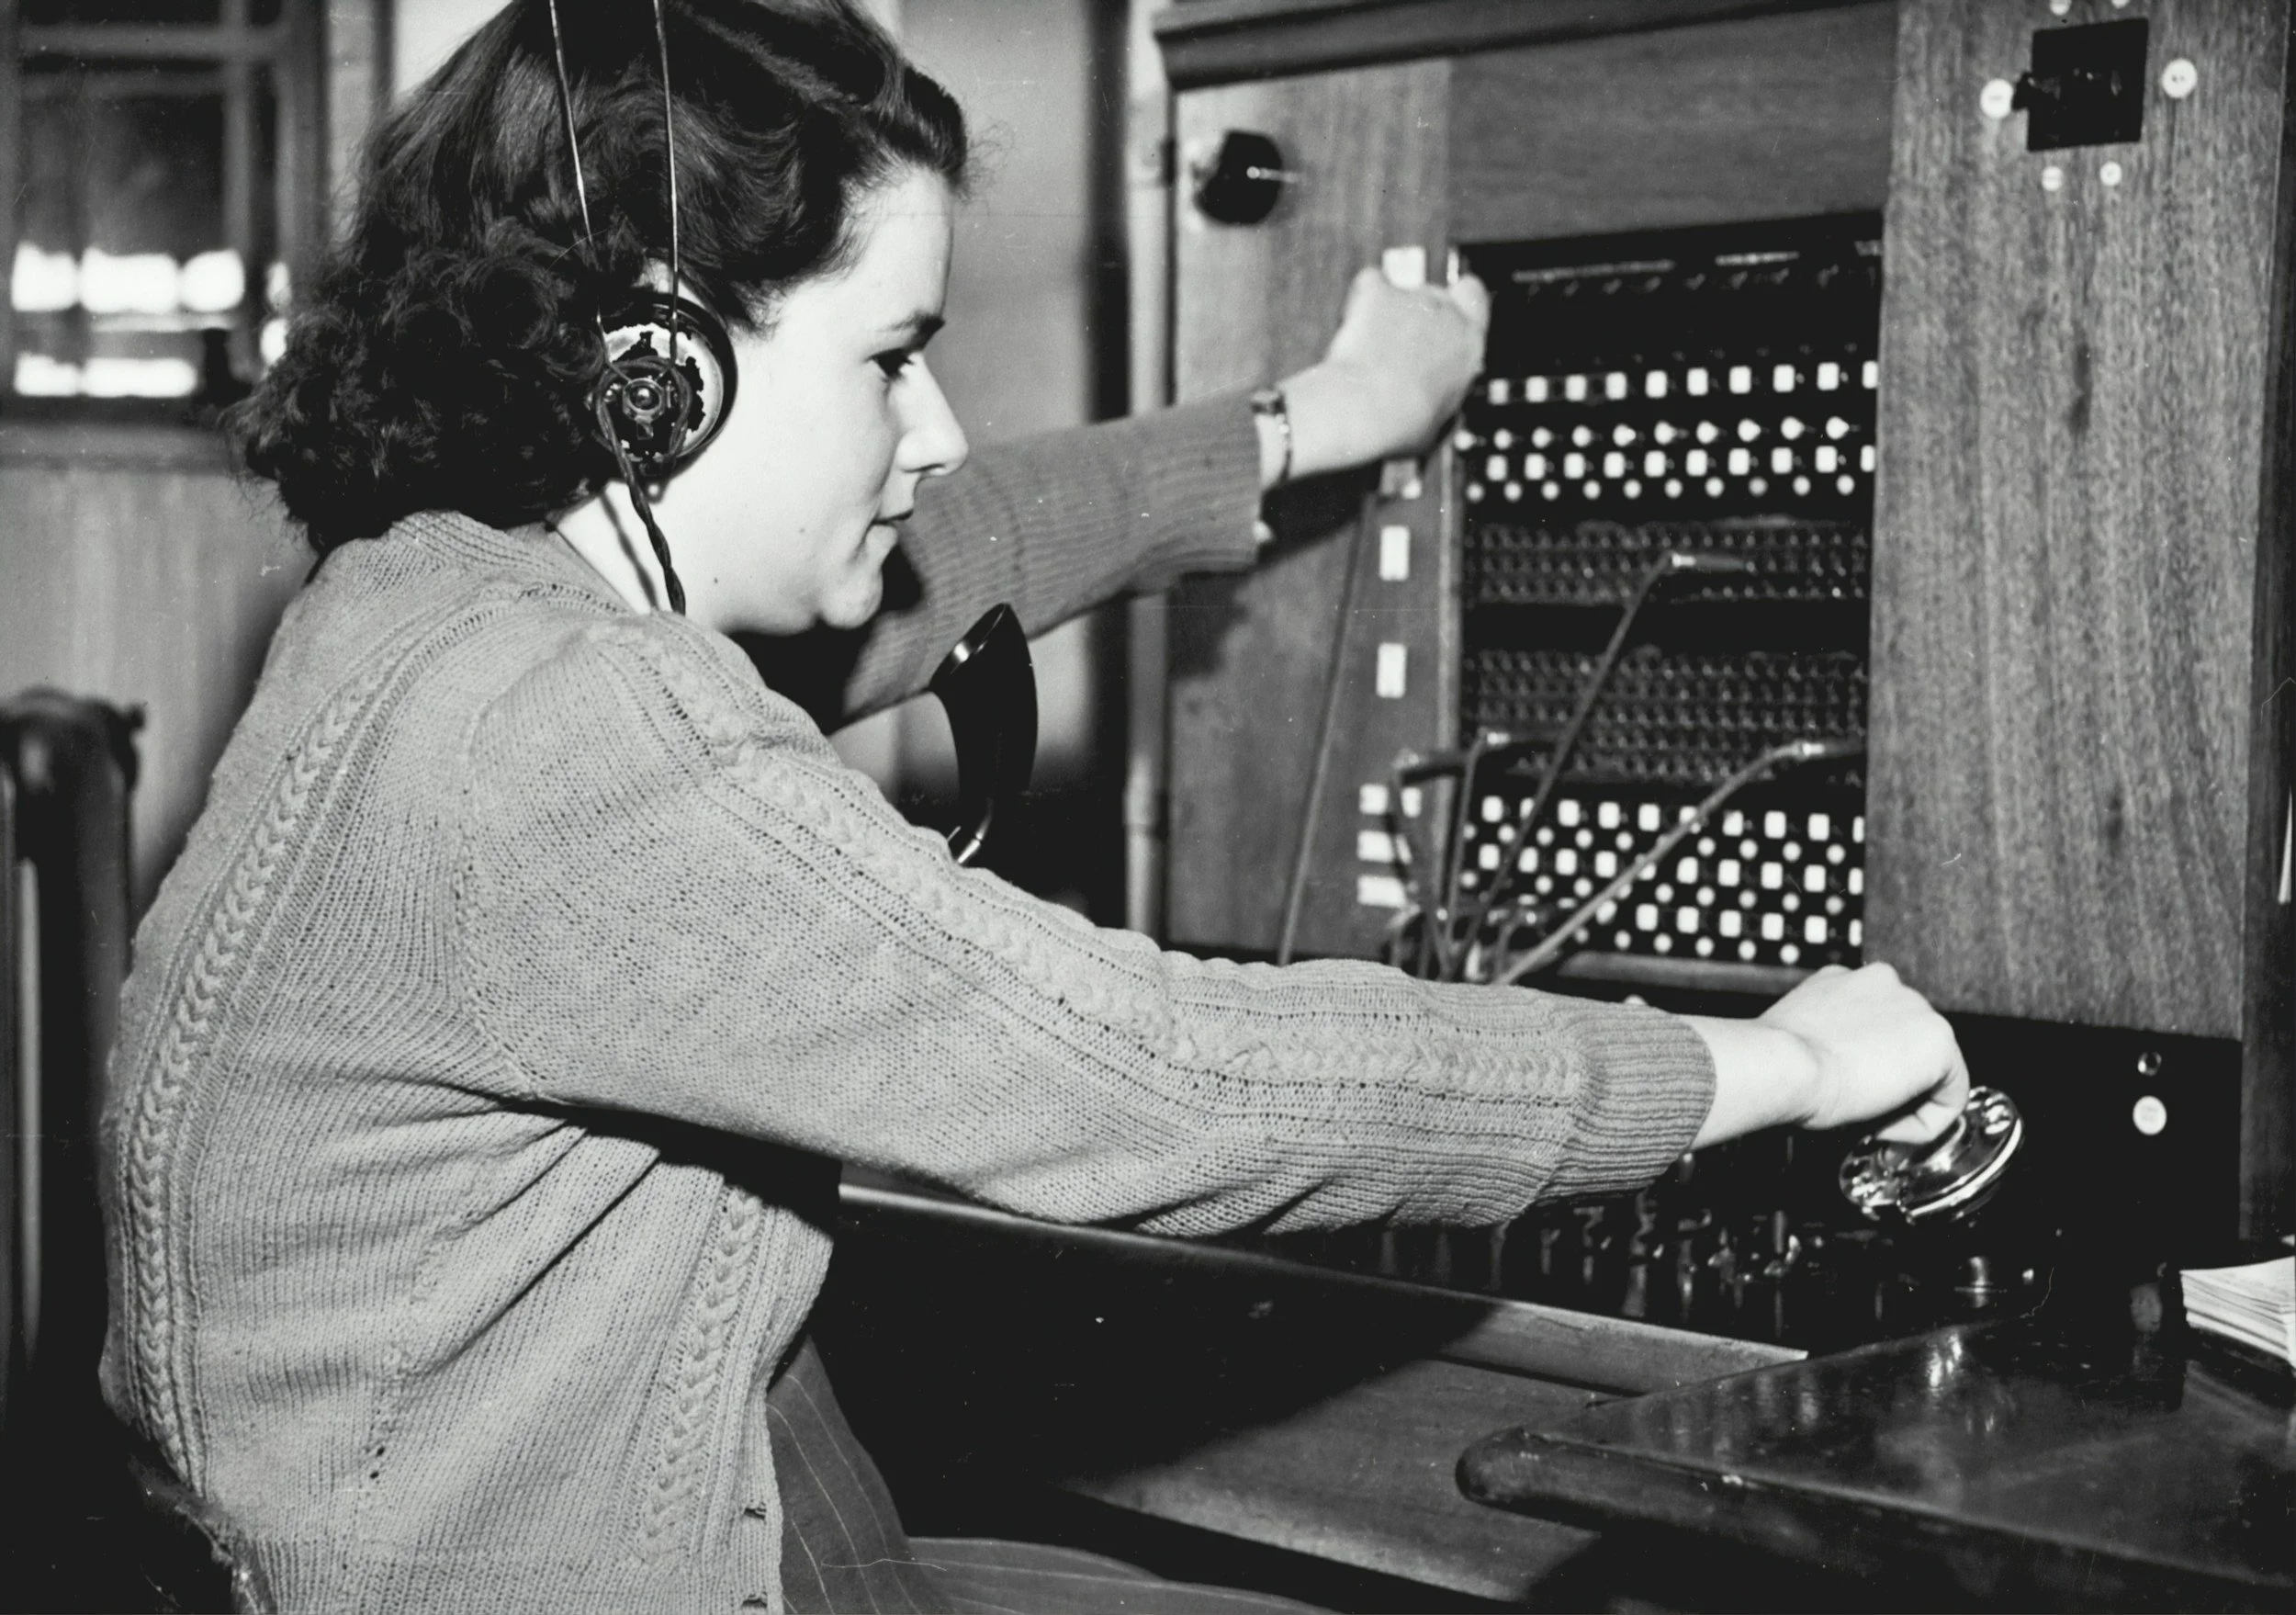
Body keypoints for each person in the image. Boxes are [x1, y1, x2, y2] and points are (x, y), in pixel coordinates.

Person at [96, 2, 1968, 1611]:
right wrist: (1762, 1070)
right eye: (892, 357)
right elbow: (1160, 1080)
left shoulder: (436, 593)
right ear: (654, 373)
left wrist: (1313, 418)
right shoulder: (560, 736)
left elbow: (967, 544)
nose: (935, 432)